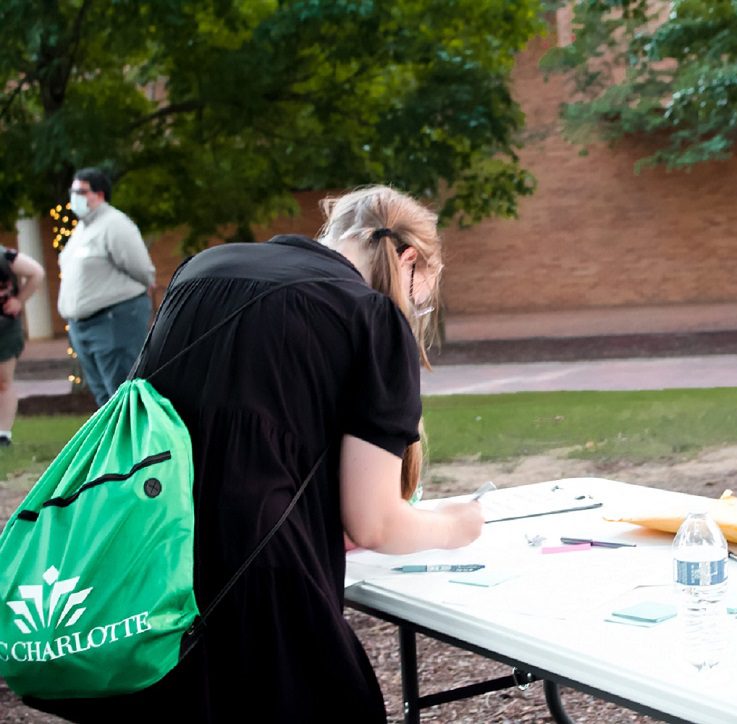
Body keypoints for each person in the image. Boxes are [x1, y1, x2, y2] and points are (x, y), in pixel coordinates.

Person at [31, 186, 483, 723]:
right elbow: (376, 524)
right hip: (261, 593)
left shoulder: (204, 269)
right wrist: (459, 525)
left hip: (149, 568)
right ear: (408, 259)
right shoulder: (372, 318)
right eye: (422, 298)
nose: (416, 310)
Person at [57, 167, 156, 406]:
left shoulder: (115, 225)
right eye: (72, 191)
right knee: (102, 396)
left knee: (120, 392)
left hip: (113, 320)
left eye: (81, 191)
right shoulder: (82, 229)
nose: (74, 196)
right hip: (82, 326)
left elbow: (143, 270)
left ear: (99, 194)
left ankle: (133, 443)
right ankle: (112, 443)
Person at [0, 247, 45, 446]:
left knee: (3, 381)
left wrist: (19, 300)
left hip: (4, 329)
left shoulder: (4, 256)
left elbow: (37, 272)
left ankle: (3, 434)